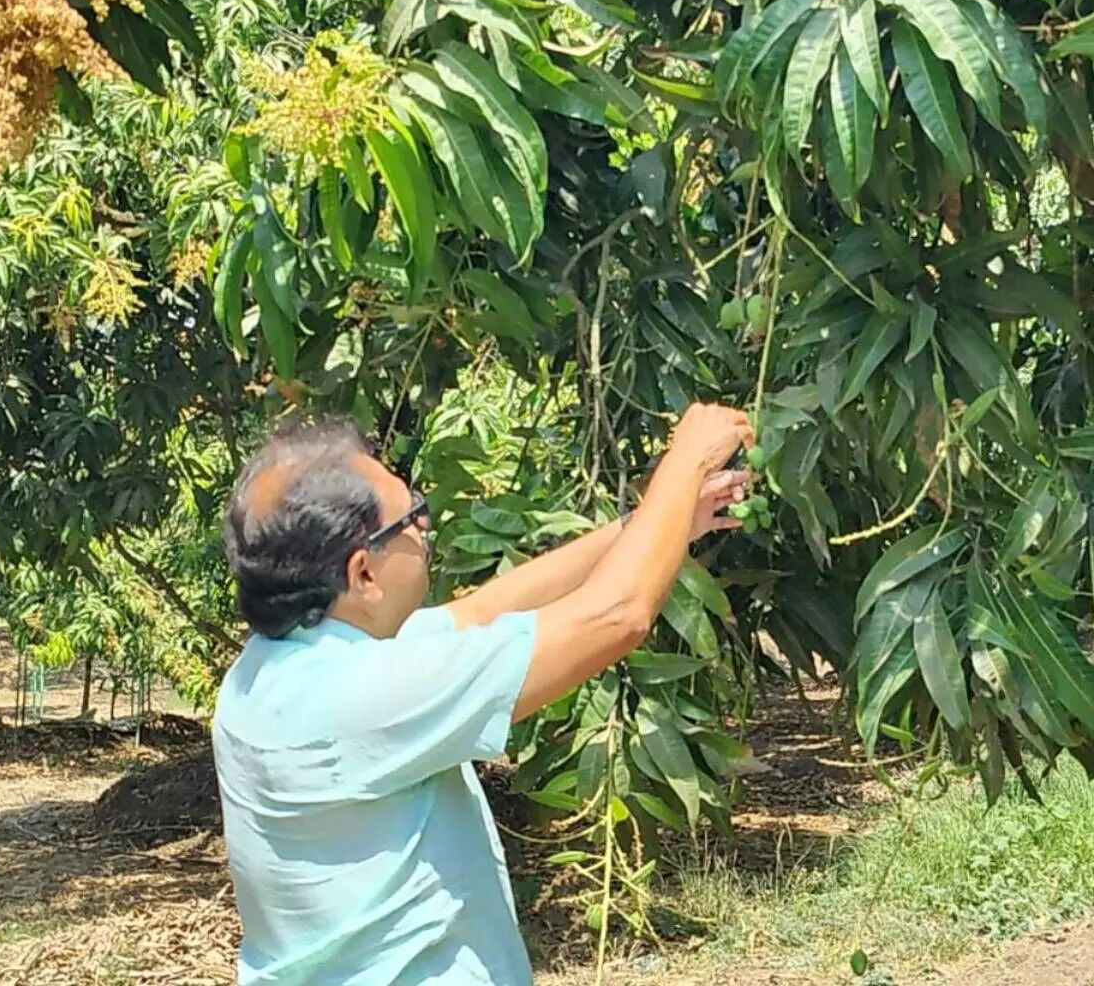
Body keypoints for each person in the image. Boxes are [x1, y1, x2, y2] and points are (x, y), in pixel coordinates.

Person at [211, 401, 756, 986]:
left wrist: (657, 519)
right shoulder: (365, 695)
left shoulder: (277, 671)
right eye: (412, 518)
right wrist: (687, 456)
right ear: (363, 574)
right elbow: (617, 616)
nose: (428, 527)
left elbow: (483, 610)